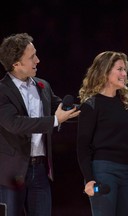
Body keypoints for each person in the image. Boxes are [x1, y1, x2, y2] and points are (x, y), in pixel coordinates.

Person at [0, 33, 80, 216]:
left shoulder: (42, 85)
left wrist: (93, 109)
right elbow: (15, 124)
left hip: (41, 171)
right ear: (16, 64)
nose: (38, 59)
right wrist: (54, 120)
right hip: (11, 175)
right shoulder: (2, 91)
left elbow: (63, 110)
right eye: (31, 57)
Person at [77, 51, 128, 216]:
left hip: (127, 170)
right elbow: (82, 146)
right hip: (103, 170)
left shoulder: (125, 103)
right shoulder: (91, 105)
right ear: (105, 71)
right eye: (120, 69)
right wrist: (89, 179)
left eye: (125, 70)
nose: (124, 74)